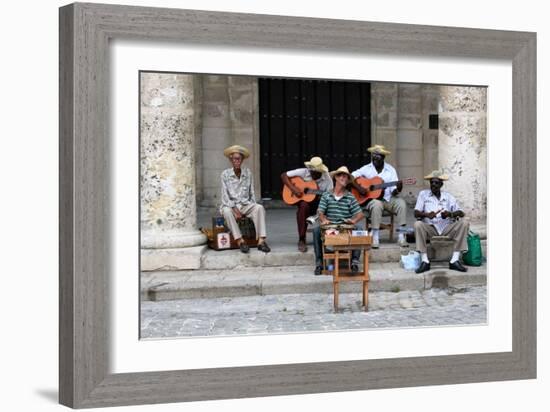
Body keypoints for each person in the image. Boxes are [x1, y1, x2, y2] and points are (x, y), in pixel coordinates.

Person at [351, 144, 408, 248]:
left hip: (388, 199)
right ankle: (375, 236)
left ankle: (401, 235)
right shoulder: (366, 168)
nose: (375, 158)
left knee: (402, 204)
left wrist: (398, 189)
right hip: (373, 201)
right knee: (376, 204)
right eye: (374, 155)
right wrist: (359, 188)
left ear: (383, 157)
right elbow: (351, 176)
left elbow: (393, 191)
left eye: (378, 155)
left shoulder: (390, 170)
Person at [413, 170, 469, 274]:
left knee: (464, 223)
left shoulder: (448, 196)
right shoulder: (423, 194)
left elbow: (461, 213)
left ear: (441, 184)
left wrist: (450, 214)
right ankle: (425, 261)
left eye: (436, 182)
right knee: (418, 224)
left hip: (447, 228)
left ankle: (454, 260)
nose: (433, 184)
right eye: (432, 182)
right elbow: (416, 213)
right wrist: (427, 215)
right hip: (431, 228)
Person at [313, 166, 364, 275]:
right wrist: (323, 220)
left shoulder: (350, 196)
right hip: (330, 226)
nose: (344, 178)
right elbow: (320, 211)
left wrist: (353, 221)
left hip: (345, 226)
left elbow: (360, 214)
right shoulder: (326, 195)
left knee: (359, 229)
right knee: (316, 230)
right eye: (341, 176)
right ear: (336, 177)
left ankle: (354, 262)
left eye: (346, 177)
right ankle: (319, 263)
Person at [220, 145, 271, 254]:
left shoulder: (248, 173)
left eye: (239, 159)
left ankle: (261, 241)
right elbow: (225, 195)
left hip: (245, 204)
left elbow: (251, 193)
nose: (237, 161)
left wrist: (252, 208)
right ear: (231, 160)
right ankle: (240, 241)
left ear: (242, 160)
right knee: (227, 212)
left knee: (259, 208)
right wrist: (234, 209)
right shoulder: (225, 174)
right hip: (231, 206)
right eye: (234, 159)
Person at [281, 156, 333, 252]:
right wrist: (294, 189)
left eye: (314, 172)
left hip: (319, 204)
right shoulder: (304, 171)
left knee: (329, 208)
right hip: (306, 203)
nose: (311, 173)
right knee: (303, 206)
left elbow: (330, 197)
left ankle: (326, 238)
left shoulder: (327, 179)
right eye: (311, 171)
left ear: (320, 172)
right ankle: (302, 239)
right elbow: (284, 175)